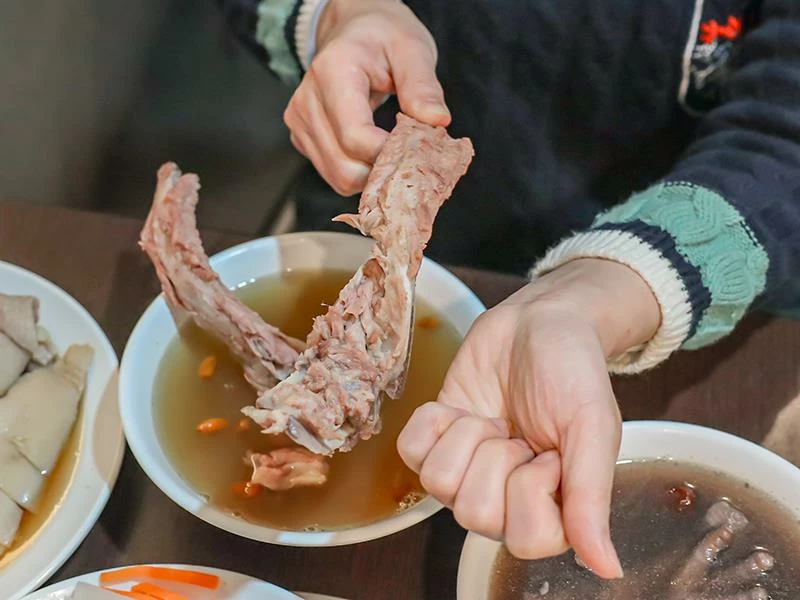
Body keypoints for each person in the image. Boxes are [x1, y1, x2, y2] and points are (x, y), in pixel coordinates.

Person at [217, 0, 800, 579]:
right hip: (370, 220)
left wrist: (588, 293)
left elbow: (785, 135)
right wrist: (330, 16)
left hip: (670, 298)